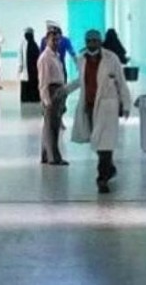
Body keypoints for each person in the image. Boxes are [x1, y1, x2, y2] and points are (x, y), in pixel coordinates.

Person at [71, 29, 131, 193]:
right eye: (89, 41)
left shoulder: (111, 58)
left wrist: (126, 105)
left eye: (95, 41)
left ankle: (102, 179)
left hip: (107, 107)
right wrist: (65, 90)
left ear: (100, 42)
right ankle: (109, 168)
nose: (91, 44)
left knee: (105, 143)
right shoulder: (81, 59)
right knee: (97, 141)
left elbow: (121, 82)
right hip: (90, 106)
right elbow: (81, 80)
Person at [37, 31, 70, 166]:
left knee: (49, 125)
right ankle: (54, 158)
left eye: (58, 40)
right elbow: (43, 81)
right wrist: (46, 100)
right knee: (52, 127)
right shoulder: (45, 58)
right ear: (47, 40)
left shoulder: (56, 56)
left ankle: (46, 155)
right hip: (51, 92)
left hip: (58, 90)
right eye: (53, 40)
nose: (56, 43)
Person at [18, 28, 41, 103]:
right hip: (25, 68)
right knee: (25, 82)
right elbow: (20, 55)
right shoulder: (23, 44)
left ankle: (33, 97)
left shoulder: (34, 45)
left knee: (33, 82)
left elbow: (38, 57)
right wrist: (20, 66)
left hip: (33, 69)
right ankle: (26, 98)